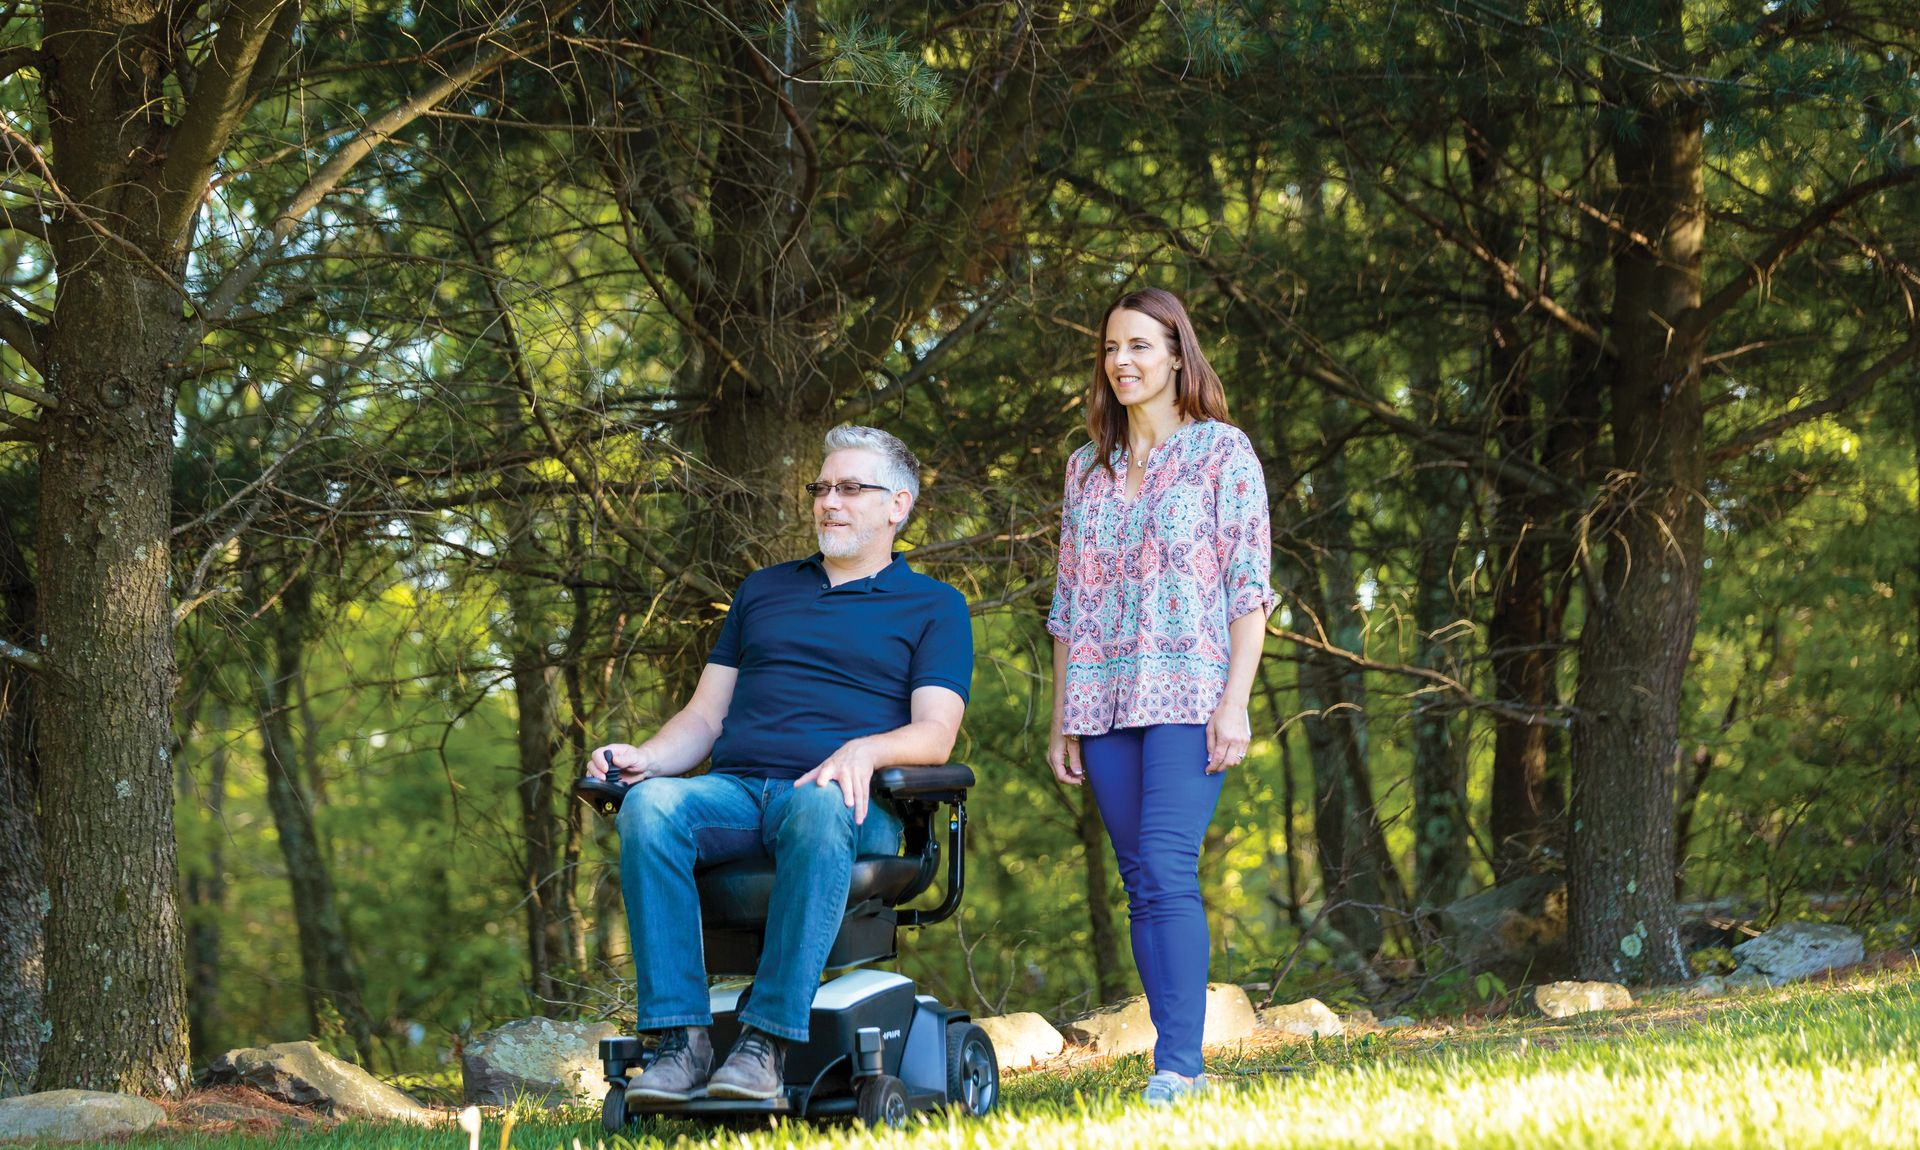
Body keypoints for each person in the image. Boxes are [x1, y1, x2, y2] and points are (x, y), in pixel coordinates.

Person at [587, 425, 972, 1106]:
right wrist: (644, 758)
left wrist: (864, 749)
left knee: (820, 801)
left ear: (899, 505)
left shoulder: (934, 606)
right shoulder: (763, 592)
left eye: (851, 487)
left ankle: (766, 1044)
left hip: (849, 804)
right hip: (737, 793)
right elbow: (705, 719)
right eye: (821, 487)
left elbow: (935, 733)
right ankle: (681, 1043)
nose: (829, 501)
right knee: (651, 807)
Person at [1046, 287, 1275, 1106]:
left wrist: (1236, 703)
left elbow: (1249, 590)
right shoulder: (1086, 468)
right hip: (1103, 703)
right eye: (1111, 347)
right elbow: (1069, 601)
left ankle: (1179, 1068)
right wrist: (1062, 717)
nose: (1123, 361)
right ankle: (1176, 1059)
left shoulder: (1223, 453)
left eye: (1141, 346)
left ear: (1178, 353)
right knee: (1139, 877)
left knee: (1170, 869)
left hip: (1189, 693)